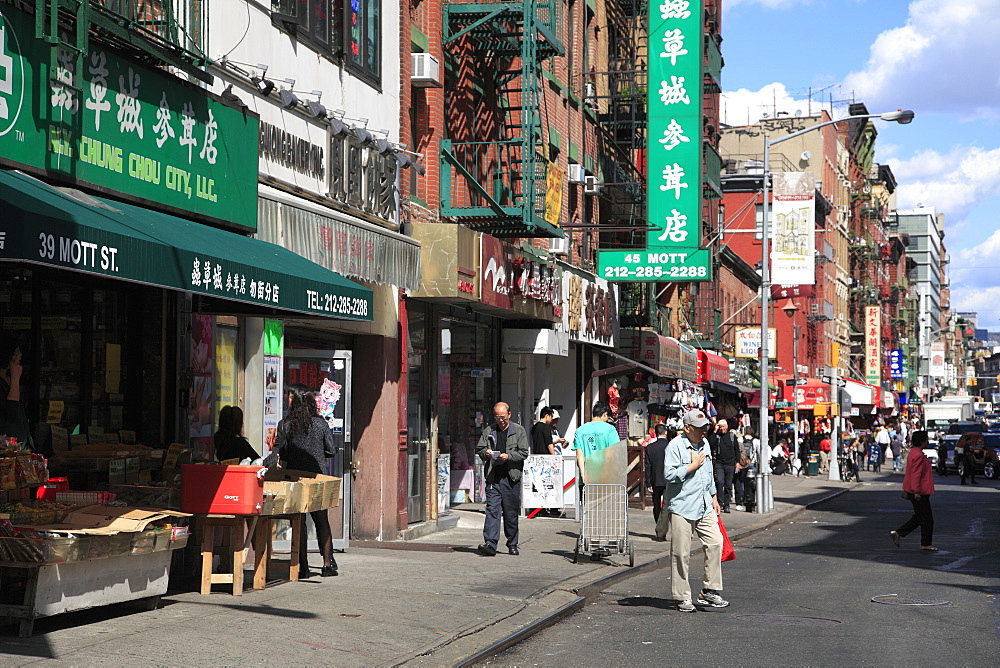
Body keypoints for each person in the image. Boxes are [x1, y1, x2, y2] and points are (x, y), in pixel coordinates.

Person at [662, 409, 728, 612]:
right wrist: (691, 466)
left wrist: (714, 496)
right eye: (699, 428)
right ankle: (682, 596)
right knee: (681, 553)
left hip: (704, 503)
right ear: (687, 427)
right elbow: (669, 475)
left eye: (706, 427)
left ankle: (710, 590)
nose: (704, 431)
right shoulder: (675, 446)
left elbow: (708, 472)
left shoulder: (705, 444)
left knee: (716, 542)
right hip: (682, 505)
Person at [274, 386, 339, 577]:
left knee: (299, 523)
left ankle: (302, 566)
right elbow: (331, 450)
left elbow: (283, 451)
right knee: (322, 521)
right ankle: (327, 564)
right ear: (312, 403)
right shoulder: (320, 424)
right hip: (317, 477)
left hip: (294, 478)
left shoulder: (287, 425)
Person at [475, 402, 529, 556]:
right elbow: (480, 449)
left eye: (503, 417)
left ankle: (512, 543)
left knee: (510, 513)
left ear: (509, 415)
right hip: (494, 478)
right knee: (492, 511)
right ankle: (490, 544)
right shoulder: (489, 430)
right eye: (498, 417)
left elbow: (524, 453)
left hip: (511, 478)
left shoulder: (518, 431)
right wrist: (486, 453)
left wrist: (509, 456)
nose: (501, 420)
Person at [890, 430, 937, 551]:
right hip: (919, 491)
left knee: (920, 517)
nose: (928, 441)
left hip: (917, 490)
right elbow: (916, 474)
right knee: (927, 519)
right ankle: (925, 543)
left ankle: (899, 533)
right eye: (926, 439)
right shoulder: (918, 455)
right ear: (922, 441)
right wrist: (916, 491)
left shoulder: (914, 453)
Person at [571, 401, 622, 485]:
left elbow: (579, 454)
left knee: (586, 498)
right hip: (606, 477)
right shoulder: (610, 429)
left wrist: (583, 475)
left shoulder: (580, 430)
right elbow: (612, 452)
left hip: (587, 477)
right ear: (605, 414)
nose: (607, 420)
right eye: (608, 417)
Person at [0, 335, 32, 450]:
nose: (20, 355)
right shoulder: (10, 378)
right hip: (6, 446)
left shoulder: (7, 377)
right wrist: (15, 378)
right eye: (16, 352)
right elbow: (11, 411)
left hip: (20, 442)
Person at [644, 423, 669, 537]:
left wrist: (648, 482)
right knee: (666, 505)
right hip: (668, 480)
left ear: (655, 433)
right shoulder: (671, 446)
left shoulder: (650, 447)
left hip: (655, 480)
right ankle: (661, 530)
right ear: (665, 432)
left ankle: (659, 526)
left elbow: (647, 466)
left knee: (656, 505)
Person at [709, 419, 738, 513]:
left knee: (728, 485)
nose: (722, 429)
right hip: (719, 463)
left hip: (730, 464)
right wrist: (714, 430)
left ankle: (727, 504)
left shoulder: (732, 436)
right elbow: (710, 443)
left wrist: (737, 462)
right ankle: (720, 503)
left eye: (723, 427)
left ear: (727, 426)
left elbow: (737, 450)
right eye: (720, 427)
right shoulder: (717, 436)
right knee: (720, 482)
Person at [734, 427, 757, 512]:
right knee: (752, 483)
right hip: (751, 463)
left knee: (741, 481)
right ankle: (750, 499)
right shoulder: (756, 441)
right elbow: (758, 453)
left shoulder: (740, 439)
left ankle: (743, 498)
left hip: (741, 463)